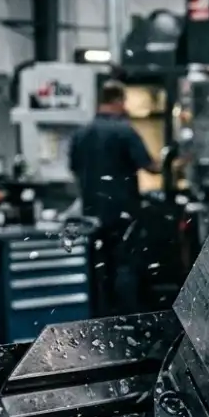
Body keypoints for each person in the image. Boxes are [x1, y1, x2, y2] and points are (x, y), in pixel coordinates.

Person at [70, 80, 160, 316]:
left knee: (99, 269)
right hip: (122, 213)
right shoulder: (124, 130)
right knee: (125, 266)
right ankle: (127, 324)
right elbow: (150, 166)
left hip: (91, 214)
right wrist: (176, 162)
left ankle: (100, 320)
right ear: (120, 101)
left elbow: (74, 167)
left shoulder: (81, 133)